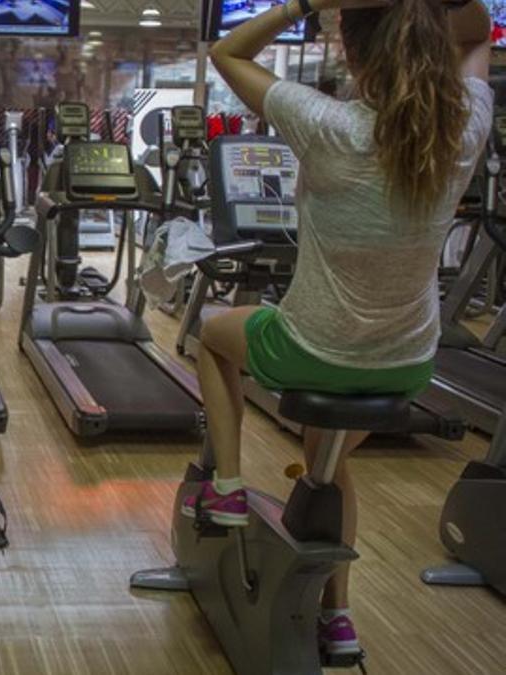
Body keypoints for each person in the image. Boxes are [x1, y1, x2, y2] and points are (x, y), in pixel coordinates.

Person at [185, 0, 492, 658]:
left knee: (212, 332)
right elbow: (476, 30)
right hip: (406, 362)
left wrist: (303, 3)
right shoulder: (465, 123)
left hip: (311, 346)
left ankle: (230, 487)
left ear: (350, 54)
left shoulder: (326, 123)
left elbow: (226, 53)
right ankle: (340, 616)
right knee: (330, 468)